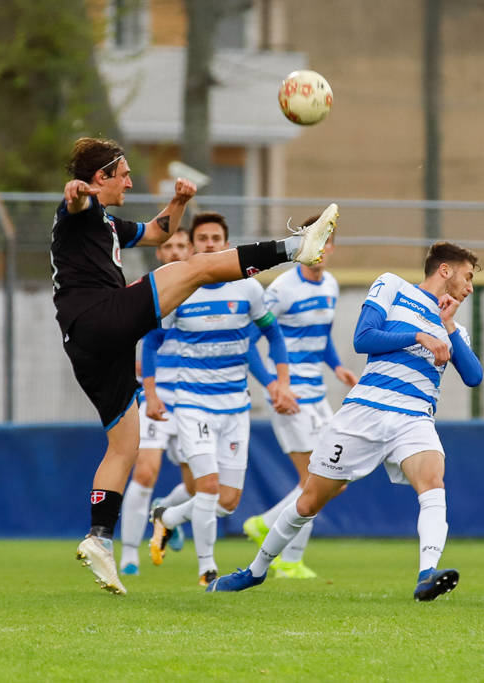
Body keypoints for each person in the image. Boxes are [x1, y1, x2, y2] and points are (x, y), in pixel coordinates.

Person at [55, 137, 337, 595]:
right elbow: (73, 200)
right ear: (99, 178)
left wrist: (180, 201)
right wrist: (75, 194)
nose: (129, 180)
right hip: (98, 315)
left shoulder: (106, 221)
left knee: (123, 445)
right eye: (122, 173)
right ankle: (295, 247)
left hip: (88, 345)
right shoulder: (80, 210)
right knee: (198, 268)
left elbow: (158, 232)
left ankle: (99, 537)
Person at [207, 242, 483, 601]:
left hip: (413, 417)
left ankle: (426, 574)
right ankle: (255, 570)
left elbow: (474, 376)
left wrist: (444, 325)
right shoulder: (393, 286)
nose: (470, 286)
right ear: (445, 270)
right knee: (308, 503)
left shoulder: (453, 329)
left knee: (433, 482)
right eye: (468, 276)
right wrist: (419, 335)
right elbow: (363, 338)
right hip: (364, 413)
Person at [147, 212, 294, 586]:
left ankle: (167, 518)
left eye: (217, 238)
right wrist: (150, 393)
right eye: (203, 239)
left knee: (228, 500)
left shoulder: (248, 288)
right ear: (193, 245)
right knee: (208, 487)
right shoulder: (180, 287)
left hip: (235, 407)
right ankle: (206, 567)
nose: (210, 244)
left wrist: (281, 382)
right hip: (192, 404)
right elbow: (151, 341)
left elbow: (273, 336)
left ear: (227, 245)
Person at [241, 225, 358, 579]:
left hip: (318, 393)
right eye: (315, 242)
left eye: (327, 242)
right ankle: (289, 560)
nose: (321, 249)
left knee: (336, 479)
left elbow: (321, 336)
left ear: (333, 247)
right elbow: (249, 338)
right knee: (315, 478)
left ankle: (265, 522)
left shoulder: (331, 285)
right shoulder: (282, 289)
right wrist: (274, 385)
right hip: (289, 393)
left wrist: (338, 367)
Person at [118, 228, 193, 576]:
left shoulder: (208, 287)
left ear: (190, 248)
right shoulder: (148, 291)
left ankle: (166, 510)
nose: (176, 251)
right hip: (158, 394)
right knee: (146, 470)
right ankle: (129, 554)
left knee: (200, 486)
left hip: (196, 396)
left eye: (181, 244)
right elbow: (131, 335)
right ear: (159, 253)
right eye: (168, 246)